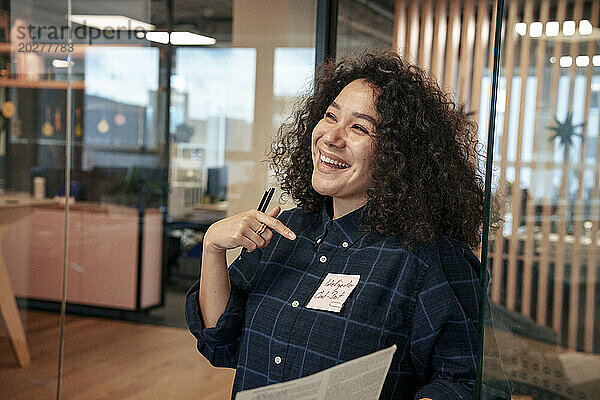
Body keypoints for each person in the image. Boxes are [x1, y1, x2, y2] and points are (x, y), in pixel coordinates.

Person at [185, 50, 484, 399]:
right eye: (330, 116)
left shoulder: (429, 258)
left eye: (359, 127)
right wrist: (212, 248)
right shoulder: (283, 231)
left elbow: (467, 384)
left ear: (399, 154)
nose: (331, 137)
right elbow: (221, 340)